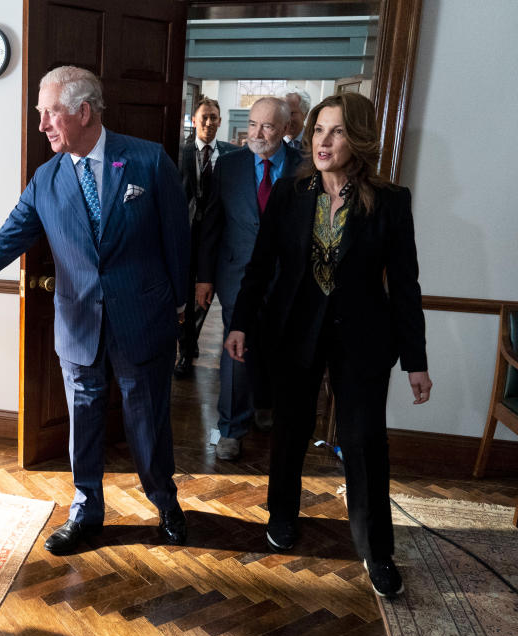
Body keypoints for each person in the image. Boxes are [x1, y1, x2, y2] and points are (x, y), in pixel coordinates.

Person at [0, 66, 190, 554]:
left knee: (147, 421)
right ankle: (86, 510)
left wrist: (178, 312)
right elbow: (6, 240)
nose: (42, 124)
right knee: (82, 421)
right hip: (78, 324)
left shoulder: (148, 162)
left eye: (50, 113)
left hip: (142, 321)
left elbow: (178, 243)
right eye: (41, 113)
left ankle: (165, 502)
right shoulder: (45, 180)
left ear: (83, 112)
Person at [223, 92, 432, 598]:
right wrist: (241, 323)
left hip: (363, 339)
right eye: (318, 130)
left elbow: (404, 284)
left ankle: (376, 549)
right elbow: (260, 264)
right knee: (290, 430)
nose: (323, 141)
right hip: (294, 330)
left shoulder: (390, 201)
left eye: (336, 131)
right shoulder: (293, 194)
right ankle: (281, 516)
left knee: (364, 442)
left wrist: (416, 362)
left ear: (356, 138)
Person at [195, 97, 302, 461]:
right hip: (236, 274)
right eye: (253, 124)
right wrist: (204, 277)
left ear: (286, 129)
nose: (257, 133)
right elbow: (211, 224)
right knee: (235, 346)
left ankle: (265, 404)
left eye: (268, 126)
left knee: (275, 346)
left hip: (288, 279)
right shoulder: (229, 165)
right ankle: (230, 428)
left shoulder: (305, 169)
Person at [175, 98, 238, 379]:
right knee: (184, 296)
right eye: (204, 118)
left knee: (205, 297)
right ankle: (185, 349)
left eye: (214, 118)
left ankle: (190, 344)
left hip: (216, 239)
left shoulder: (230, 155)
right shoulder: (179, 152)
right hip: (185, 237)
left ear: (221, 121)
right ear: (194, 120)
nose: (209, 123)